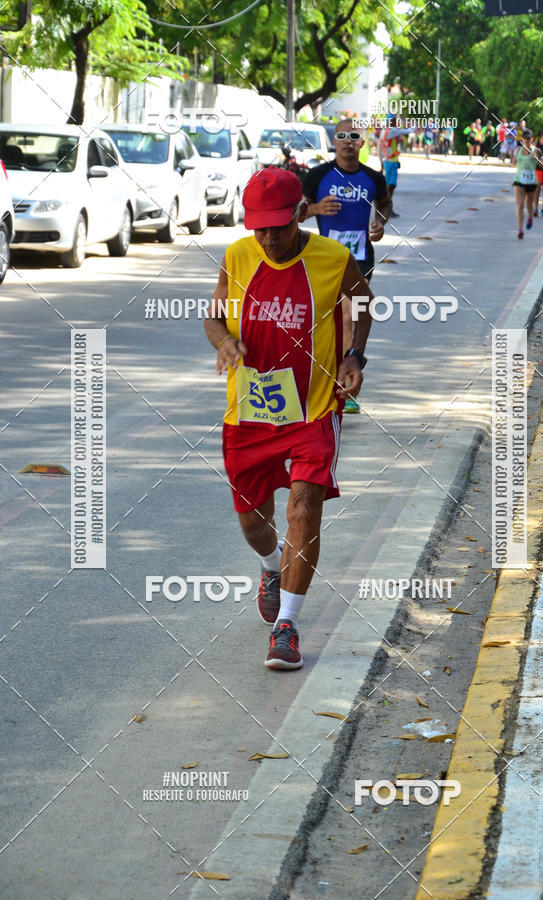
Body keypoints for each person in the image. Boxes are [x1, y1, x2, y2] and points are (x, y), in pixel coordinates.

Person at [204, 167, 375, 670]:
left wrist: (354, 356)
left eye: (277, 227)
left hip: (313, 409)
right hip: (250, 412)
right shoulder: (238, 256)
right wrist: (225, 340)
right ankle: (269, 565)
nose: (268, 238)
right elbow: (213, 315)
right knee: (253, 521)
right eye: (259, 228)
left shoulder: (333, 259)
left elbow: (362, 302)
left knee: (304, 509)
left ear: (301, 214)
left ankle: (288, 627)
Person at [303, 119, 392, 415]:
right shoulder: (317, 176)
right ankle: (334, 378)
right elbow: (297, 213)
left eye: (354, 136)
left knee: (349, 314)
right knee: (331, 320)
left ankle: (345, 384)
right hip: (325, 258)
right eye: (341, 136)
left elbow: (384, 202)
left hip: (360, 258)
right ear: (334, 141)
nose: (347, 141)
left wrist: (379, 223)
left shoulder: (373, 177)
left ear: (362, 142)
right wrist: (316, 209)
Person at [513, 128, 542, 239]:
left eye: (529, 138)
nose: (527, 140)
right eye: (525, 138)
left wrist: (537, 159)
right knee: (520, 204)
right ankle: (520, 229)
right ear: (522, 139)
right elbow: (514, 161)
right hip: (519, 180)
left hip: (531, 182)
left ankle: (530, 216)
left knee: (529, 205)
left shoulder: (536, 150)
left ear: (532, 139)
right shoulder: (518, 149)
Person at [377, 115, 402, 214]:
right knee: (390, 186)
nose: (397, 122)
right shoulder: (388, 132)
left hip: (391, 161)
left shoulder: (388, 132)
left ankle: (387, 207)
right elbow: (380, 149)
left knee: (391, 186)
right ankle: (385, 208)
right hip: (389, 162)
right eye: (395, 121)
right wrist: (382, 163)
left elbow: (390, 149)